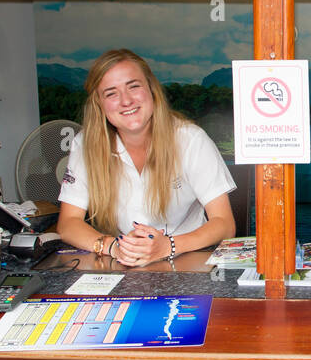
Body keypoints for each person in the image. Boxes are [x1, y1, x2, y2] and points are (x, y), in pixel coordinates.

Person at [57, 49, 235, 267]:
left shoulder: (191, 140)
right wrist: (114, 247)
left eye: (134, 86)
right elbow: (68, 223)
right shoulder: (85, 144)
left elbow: (224, 223)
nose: (126, 101)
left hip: (189, 258)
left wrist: (168, 246)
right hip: (124, 262)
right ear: (99, 105)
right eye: (111, 93)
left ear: (151, 89)